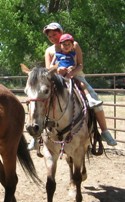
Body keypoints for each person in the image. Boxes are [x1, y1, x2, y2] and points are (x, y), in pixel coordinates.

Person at [28, 22, 117, 150]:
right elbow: (48, 70)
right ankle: (35, 138)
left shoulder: (74, 44)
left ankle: (104, 131)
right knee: (40, 102)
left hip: (76, 77)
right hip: (57, 80)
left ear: (61, 32)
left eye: (55, 34)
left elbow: (80, 64)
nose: (53, 37)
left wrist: (71, 73)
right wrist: (58, 71)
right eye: (50, 36)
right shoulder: (49, 51)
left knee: (95, 100)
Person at [50, 33, 103, 109]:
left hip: (71, 75)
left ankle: (90, 99)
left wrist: (72, 68)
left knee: (82, 84)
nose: (67, 46)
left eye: (69, 44)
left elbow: (76, 64)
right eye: (64, 44)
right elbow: (51, 66)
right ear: (60, 45)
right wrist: (58, 68)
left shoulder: (73, 54)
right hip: (60, 76)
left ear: (72, 45)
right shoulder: (57, 54)